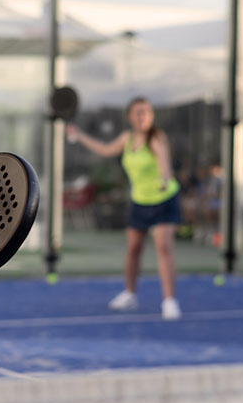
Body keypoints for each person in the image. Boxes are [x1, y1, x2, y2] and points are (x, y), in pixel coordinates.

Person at [66, 96, 182, 320]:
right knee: (133, 250)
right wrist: (79, 136)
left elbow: (164, 161)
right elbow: (104, 149)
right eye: (139, 112)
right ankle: (130, 294)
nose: (143, 117)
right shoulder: (126, 139)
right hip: (139, 201)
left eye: (147, 112)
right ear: (130, 117)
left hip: (164, 199)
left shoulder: (156, 137)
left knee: (163, 248)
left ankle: (169, 301)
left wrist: (165, 179)